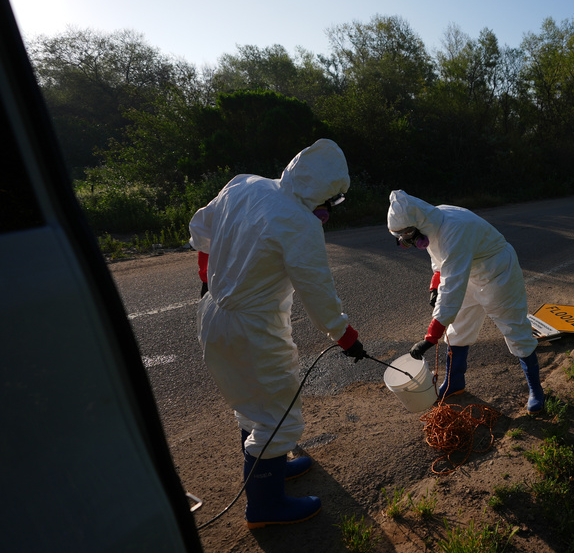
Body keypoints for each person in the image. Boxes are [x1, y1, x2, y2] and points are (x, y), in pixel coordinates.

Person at [189, 138, 368, 529]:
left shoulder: (245, 184)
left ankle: (272, 465)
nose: (327, 211)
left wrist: (208, 280)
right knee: (277, 415)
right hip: (252, 328)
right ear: (324, 191)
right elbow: (318, 292)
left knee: (249, 402)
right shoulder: (299, 223)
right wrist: (346, 337)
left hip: (212, 313)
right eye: (331, 202)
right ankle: (265, 506)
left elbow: (202, 229)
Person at [386, 189, 544, 414]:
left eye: (408, 233)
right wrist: (434, 286)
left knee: (515, 329)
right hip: (469, 272)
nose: (409, 240)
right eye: (402, 237)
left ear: (418, 222)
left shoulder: (453, 228)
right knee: (457, 329)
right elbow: (441, 261)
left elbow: (452, 286)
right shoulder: (431, 223)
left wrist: (430, 338)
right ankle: (454, 383)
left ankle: (536, 391)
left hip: (497, 272)